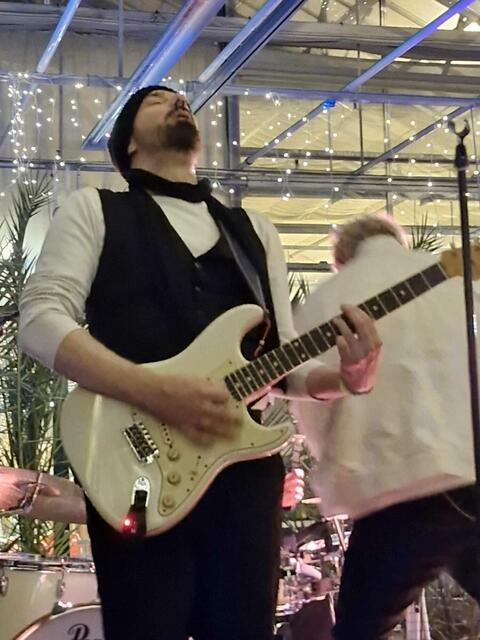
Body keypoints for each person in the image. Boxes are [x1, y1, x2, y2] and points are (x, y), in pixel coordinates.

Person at [18, 86, 381, 640]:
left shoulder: (254, 231)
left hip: (244, 479)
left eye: (182, 98)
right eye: (157, 99)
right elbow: (40, 320)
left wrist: (346, 378)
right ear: (128, 143)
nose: (179, 101)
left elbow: (282, 360)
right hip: (134, 471)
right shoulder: (94, 209)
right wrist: (154, 392)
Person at [293, 214, 480, 640]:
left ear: (341, 260)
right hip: (469, 470)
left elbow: (313, 406)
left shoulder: (327, 301)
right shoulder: (449, 276)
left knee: (359, 630)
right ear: (399, 242)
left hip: (397, 491)